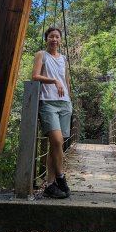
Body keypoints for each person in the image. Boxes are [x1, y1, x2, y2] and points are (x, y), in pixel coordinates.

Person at [32, 26, 72, 199]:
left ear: (60, 40)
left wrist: (69, 100)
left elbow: (66, 81)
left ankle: (49, 185)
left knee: (56, 145)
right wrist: (54, 80)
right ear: (46, 39)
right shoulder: (41, 54)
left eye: (57, 37)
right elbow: (35, 76)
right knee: (56, 140)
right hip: (47, 102)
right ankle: (61, 176)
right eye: (51, 37)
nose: (54, 39)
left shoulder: (63, 58)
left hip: (64, 104)